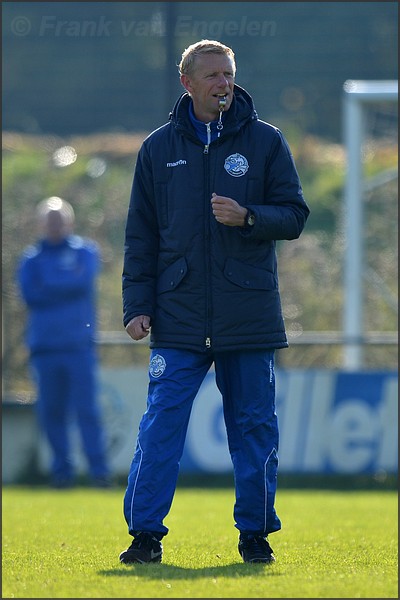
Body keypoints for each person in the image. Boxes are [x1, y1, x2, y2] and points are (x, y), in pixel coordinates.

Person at [119, 39, 310, 565]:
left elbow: (295, 215)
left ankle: (255, 535)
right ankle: (145, 535)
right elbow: (140, 236)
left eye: (228, 74)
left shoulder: (267, 142)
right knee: (160, 423)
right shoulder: (157, 149)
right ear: (187, 84)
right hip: (177, 314)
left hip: (247, 314)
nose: (223, 84)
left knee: (253, 427)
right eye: (212, 76)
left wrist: (248, 217)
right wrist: (137, 303)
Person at [17, 196, 110, 489]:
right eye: (49, 220)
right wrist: (65, 285)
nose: (55, 226)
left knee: (88, 411)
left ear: (69, 222)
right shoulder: (31, 259)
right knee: (52, 412)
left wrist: (50, 285)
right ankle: (62, 473)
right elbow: (31, 295)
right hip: (45, 347)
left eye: (59, 220)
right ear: (41, 224)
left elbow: (82, 284)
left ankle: (99, 473)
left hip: (79, 345)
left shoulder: (85, 252)